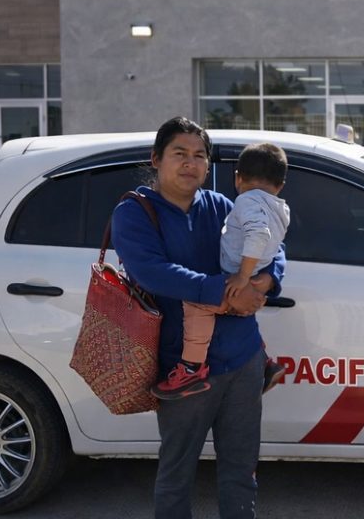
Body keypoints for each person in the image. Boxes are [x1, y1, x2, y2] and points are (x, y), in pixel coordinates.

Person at [112, 117, 285, 519]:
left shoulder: (222, 205)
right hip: (184, 370)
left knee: (241, 471)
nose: (191, 163)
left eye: (199, 155)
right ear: (156, 159)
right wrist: (226, 294)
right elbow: (151, 272)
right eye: (180, 154)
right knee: (177, 475)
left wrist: (264, 282)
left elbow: (271, 244)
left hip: (242, 361)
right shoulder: (134, 213)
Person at [151, 142, 292, 399]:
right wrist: (264, 276)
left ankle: (191, 369)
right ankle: (265, 361)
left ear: (238, 179)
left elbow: (260, 234)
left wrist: (243, 276)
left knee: (197, 308)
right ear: (280, 185)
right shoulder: (281, 207)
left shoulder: (247, 201)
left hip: (238, 277)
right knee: (240, 312)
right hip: (253, 276)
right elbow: (274, 242)